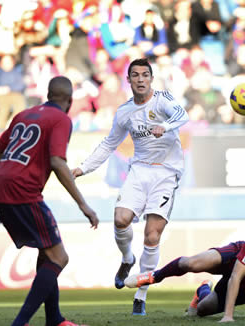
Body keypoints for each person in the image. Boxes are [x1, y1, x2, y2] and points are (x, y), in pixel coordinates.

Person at [72, 58, 189, 316]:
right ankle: (127, 258)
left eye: (145, 75)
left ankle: (141, 294)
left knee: (151, 235)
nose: (140, 79)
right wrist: (83, 167)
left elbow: (183, 114)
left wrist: (166, 126)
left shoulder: (162, 99)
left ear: (151, 78)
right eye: (135, 75)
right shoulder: (124, 112)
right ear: (129, 80)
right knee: (121, 218)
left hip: (167, 173)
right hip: (139, 171)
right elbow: (109, 144)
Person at [0, 76, 99, 326]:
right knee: (60, 257)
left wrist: (4, 185)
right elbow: (57, 161)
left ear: (48, 94)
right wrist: (84, 205)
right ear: (70, 101)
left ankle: (55, 320)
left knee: (46, 252)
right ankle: (20, 323)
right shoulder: (61, 119)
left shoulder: (23, 115)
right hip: (23, 191)